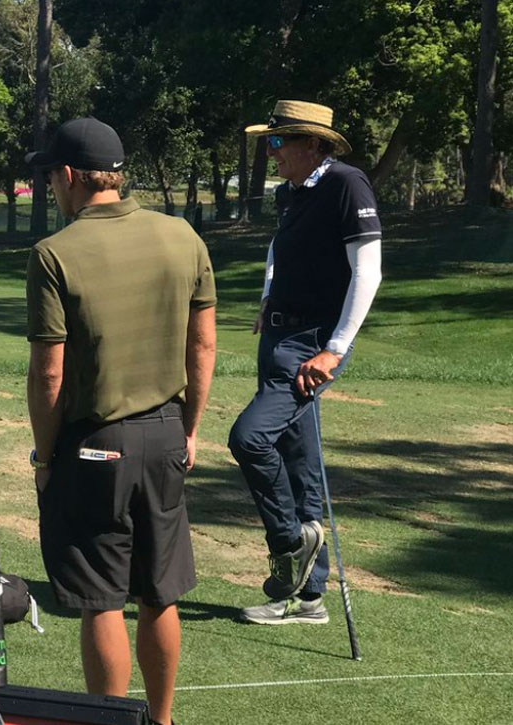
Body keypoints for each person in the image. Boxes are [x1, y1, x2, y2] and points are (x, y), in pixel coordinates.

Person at [25, 117, 216, 725]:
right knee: (160, 592)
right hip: (166, 433)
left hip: (94, 445)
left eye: (52, 174)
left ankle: (109, 722)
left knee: (102, 598)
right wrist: (189, 429)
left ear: (73, 176)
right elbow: (203, 347)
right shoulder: (182, 236)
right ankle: (160, 722)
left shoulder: (54, 253)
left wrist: (46, 455)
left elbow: (49, 376)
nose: (52, 186)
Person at [229, 100, 383, 625]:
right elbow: (279, 248)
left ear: (311, 144)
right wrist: (268, 295)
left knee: (249, 437)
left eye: (278, 142)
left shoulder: (346, 183)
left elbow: (368, 272)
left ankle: (291, 543)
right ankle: (308, 599)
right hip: (279, 335)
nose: (271, 153)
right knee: (300, 460)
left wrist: (335, 349)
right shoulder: (292, 193)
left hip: (312, 343)